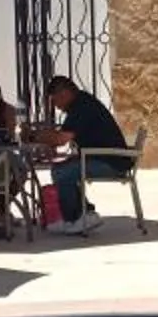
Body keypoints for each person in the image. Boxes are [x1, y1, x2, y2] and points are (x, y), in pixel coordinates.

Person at [41, 73, 131, 235]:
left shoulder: (81, 106)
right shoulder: (81, 103)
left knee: (62, 172)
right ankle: (82, 214)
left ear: (64, 93)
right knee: (63, 168)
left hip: (111, 163)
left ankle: (78, 217)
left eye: (55, 100)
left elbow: (61, 139)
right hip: (105, 157)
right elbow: (63, 138)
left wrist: (36, 136)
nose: (55, 106)